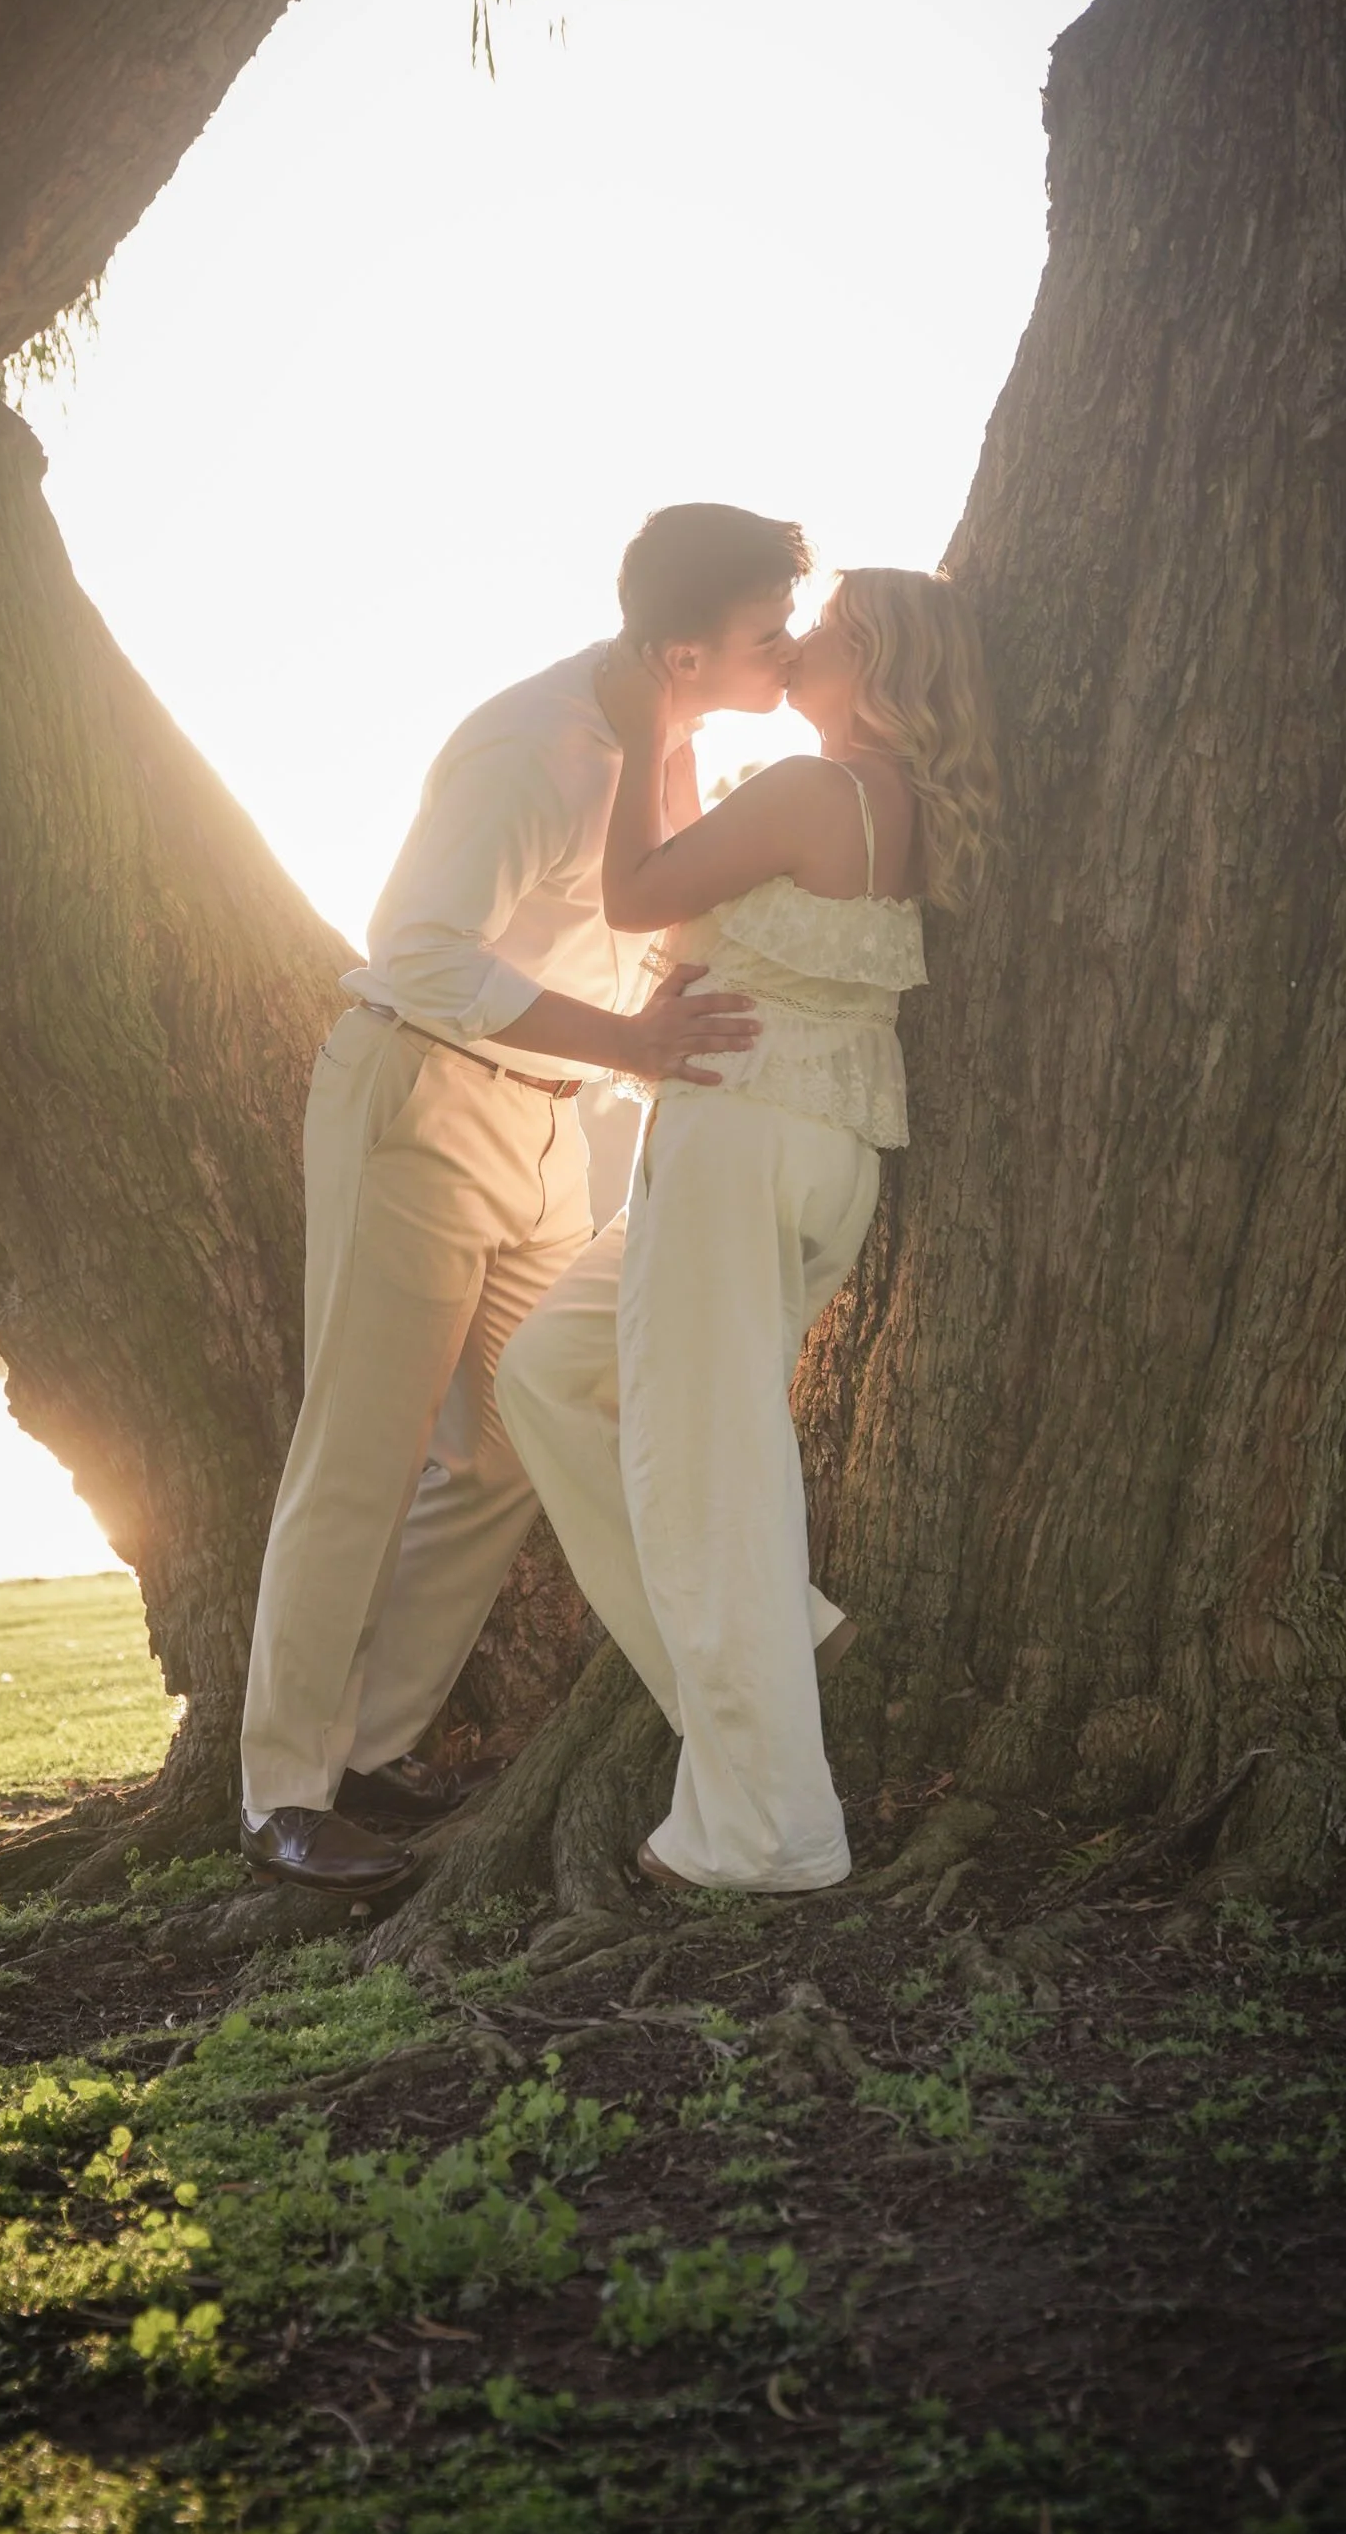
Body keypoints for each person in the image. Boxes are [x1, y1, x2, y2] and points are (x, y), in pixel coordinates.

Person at [237, 504, 809, 1899]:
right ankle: (285, 1795)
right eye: (768, 632)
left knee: (506, 1448)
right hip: (420, 1103)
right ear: (684, 651)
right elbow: (420, 952)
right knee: (360, 1451)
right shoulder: (532, 747)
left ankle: (373, 1745)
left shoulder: (670, 742)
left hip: (551, 1123)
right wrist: (635, 1043)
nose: (788, 652)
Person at [496, 569, 999, 1893]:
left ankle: (769, 1835)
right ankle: (777, 1643)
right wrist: (677, 745)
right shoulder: (881, 798)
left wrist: (637, 732)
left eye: (824, 630)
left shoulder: (811, 787)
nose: (795, 642)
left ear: (874, 665)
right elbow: (700, 879)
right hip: (812, 1147)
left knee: (709, 1477)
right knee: (544, 1376)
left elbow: (635, 895)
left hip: (737, 1146)